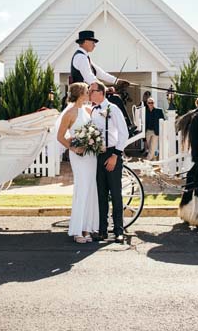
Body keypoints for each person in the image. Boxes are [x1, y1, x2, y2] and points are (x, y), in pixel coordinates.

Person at [56, 82, 99, 243]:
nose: (89, 93)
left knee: (91, 189)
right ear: (80, 93)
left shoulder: (88, 110)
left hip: (91, 155)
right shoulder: (69, 112)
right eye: (87, 91)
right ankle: (77, 230)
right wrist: (73, 149)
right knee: (82, 189)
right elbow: (60, 137)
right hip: (79, 156)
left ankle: (87, 229)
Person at [70, 30, 134, 132]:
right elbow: (90, 78)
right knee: (115, 99)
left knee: (114, 98)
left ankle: (124, 125)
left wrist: (117, 81)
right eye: (93, 42)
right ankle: (127, 126)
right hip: (83, 94)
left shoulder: (86, 58)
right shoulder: (80, 58)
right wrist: (105, 88)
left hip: (89, 91)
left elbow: (101, 73)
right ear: (85, 42)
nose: (94, 45)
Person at [88, 80, 128, 244]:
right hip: (97, 155)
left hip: (113, 154)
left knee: (115, 193)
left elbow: (123, 133)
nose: (89, 94)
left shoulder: (113, 109)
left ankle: (119, 230)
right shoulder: (93, 111)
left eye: (92, 91)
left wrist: (115, 155)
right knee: (101, 194)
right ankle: (102, 230)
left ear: (101, 92)